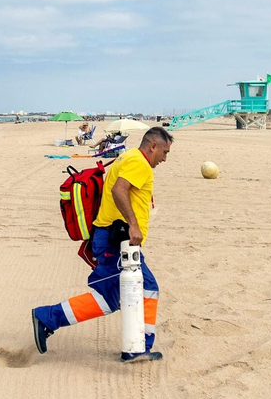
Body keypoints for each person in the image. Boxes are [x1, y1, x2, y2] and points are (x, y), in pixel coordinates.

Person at [31, 127, 173, 363]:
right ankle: (48, 317)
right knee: (134, 291)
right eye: (165, 152)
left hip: (113, 239)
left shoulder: (128, 158)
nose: (165, 159)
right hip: (116, 241)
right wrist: (134, 225)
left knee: (128, 294)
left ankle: (137, 348)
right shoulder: (139, 162)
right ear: (153, 146)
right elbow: (119, 190)